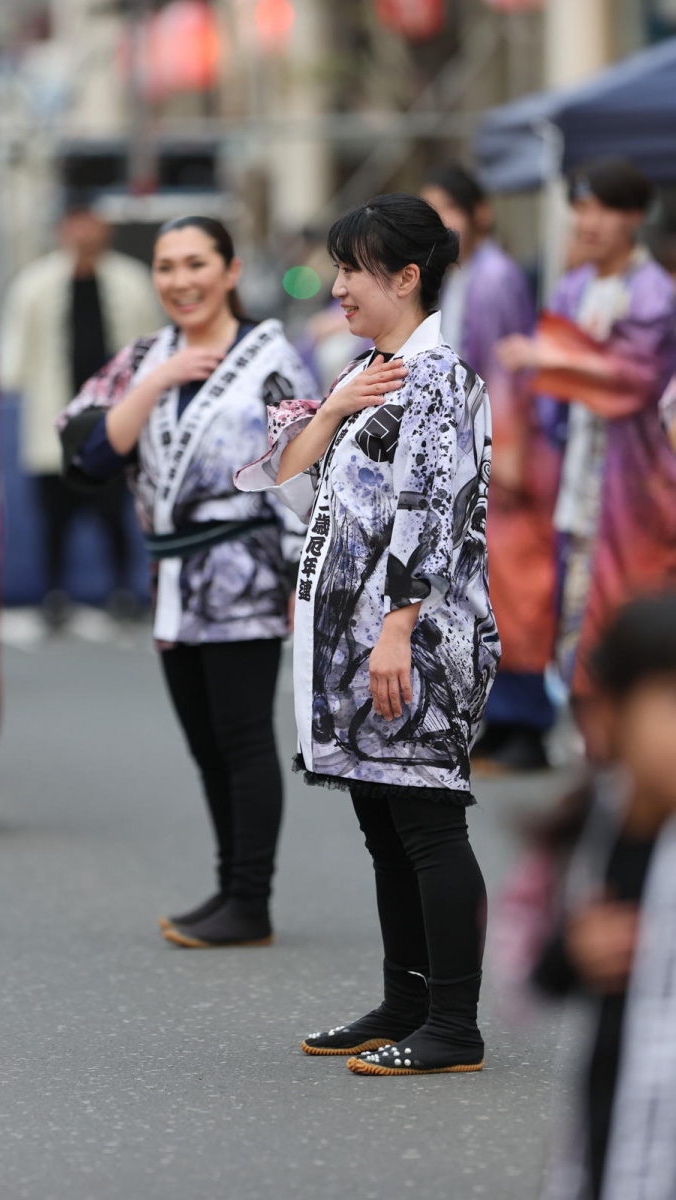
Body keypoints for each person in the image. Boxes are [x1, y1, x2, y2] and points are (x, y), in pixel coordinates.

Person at [236, 194, 499, 1076]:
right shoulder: (371, 370)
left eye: (352, 268)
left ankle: (453, 1024)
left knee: (427, 822)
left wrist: (396, 629)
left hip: (413, 639)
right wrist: (335, 404)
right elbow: (280, 473)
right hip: (357, 639)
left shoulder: (437, 379)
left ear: (407, 276)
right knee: (385, 827)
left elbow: (434, 514)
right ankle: (407, 999)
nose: (338, 285)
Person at [57, 215, 316, 947]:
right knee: (204, 741)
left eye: (196, 263)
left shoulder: (271, 358)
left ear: (230, 271)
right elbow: (87, 454)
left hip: (243, 569)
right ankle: (228, 883)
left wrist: (303, 580)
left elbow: (303, 468)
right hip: (171, 571)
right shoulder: (144, 355)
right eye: (166, 267)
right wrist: (157, 380)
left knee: (240, 736)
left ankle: (250, 898)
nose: (181, 281)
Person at [498, 158, 676, 726]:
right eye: (581, 209)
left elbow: (638, 376)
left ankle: (634, 726)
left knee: (628, 598)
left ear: (635, 217)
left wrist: (552, 359)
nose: (589, 222)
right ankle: (593, 727)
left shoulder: (652, 291)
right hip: (578, 469)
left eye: (603, 208)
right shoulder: (574, 286)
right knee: (574, 599)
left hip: (636, 482)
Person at [531, 594, 676, 1200]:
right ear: (606, 717)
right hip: (611, 1143)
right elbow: (532, 972)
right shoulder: (597, 828)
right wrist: (572, 950)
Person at [422, 164, 558, 773]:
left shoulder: (495, 277)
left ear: (479, 214)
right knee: (484, 590)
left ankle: (524, 725)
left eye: (446, 210)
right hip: (473, 455)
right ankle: (500, 723)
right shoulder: (457, 274)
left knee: (515, 591)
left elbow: (508, 374)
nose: (438, 225)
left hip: (502, 458)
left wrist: (504, 457)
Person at [0, 205, 159, 627]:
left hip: (114, 418)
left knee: (114, 512)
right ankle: (54, 593)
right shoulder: (35, 282)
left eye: (92, 223)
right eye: (76, 223)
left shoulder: (131, 281)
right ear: (63, 228)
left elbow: (152, 348)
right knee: (54, 514)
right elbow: (13, 359)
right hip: (56, 417)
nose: (85, 232)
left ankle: (124, 590)